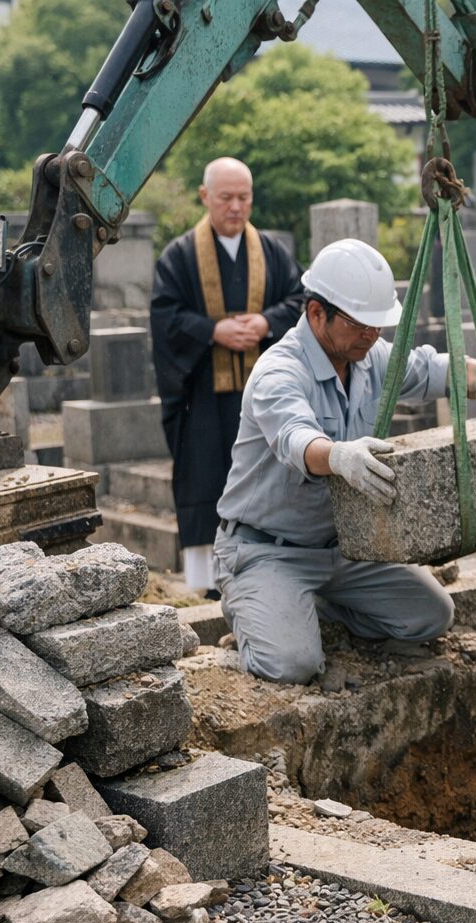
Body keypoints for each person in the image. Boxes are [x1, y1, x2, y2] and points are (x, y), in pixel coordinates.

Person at [213, 238, 476, 684]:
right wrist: (339, 455)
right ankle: (261, 612)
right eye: (361, 325)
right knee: (292, 665)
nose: (373, 336)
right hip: (266, 549)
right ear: (316, 314)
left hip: (345, 547)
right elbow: (296, 439)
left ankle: (312, 608)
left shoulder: (368, 357)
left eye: (378, 325)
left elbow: (444, 370)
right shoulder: (279, 372)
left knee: (428, 617)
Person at [150, 157, 304, 598]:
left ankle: (272, 570)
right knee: (204, 477)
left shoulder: (272, 252)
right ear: (205, 197)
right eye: (226, 198)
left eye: (244, 197)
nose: (236, 207)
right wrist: (212, 330)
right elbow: (165, 316)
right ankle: (204, 584)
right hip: (202, 397)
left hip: (263, 398)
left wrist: (266, 324)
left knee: (267, 480)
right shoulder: (179, 257)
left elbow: (299, 301)